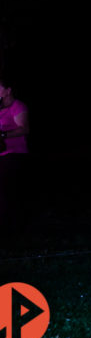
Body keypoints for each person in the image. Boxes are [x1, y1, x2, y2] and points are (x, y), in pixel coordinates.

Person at [0, 76, 30, 238]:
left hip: (14, 155)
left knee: (9, 193)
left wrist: (3, 134)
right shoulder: (1, 109)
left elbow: (24, 129)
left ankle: (15, 231)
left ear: (8, 90)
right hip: (2, 155)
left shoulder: (18, 106)